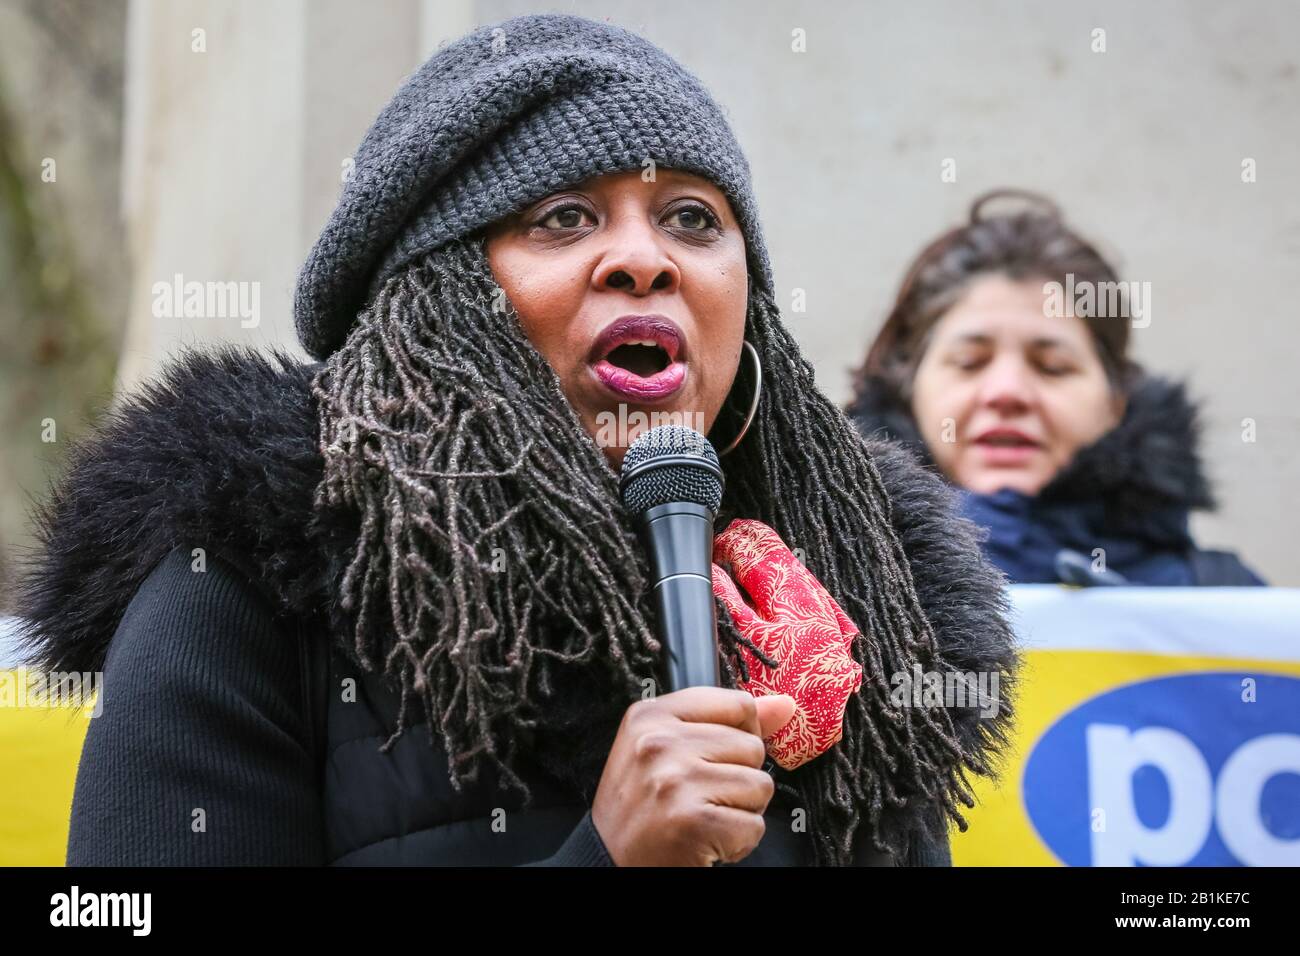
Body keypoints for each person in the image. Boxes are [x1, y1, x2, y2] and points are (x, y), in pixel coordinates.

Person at [16, 13, 1017, 867]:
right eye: (565, 216)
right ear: (439, 303)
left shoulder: (850, 618)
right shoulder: (239, 590)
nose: (643, 258)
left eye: (690, 218)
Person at [847, 189, 1264, 587]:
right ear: (908, 391)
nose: (1007, 392)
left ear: (1116, 402)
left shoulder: (1236, 612)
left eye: (1053, 368)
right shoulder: (816, 594)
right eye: (970, 362)